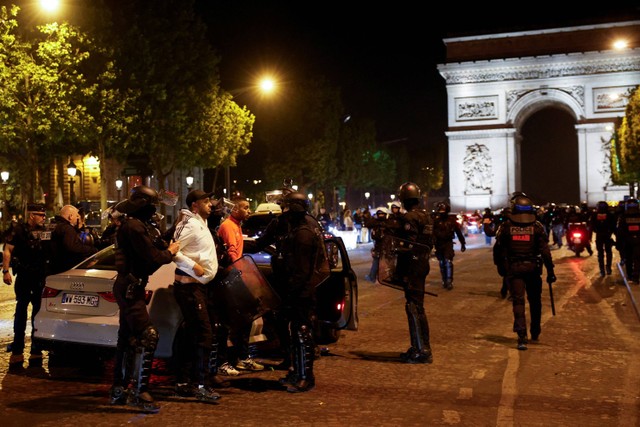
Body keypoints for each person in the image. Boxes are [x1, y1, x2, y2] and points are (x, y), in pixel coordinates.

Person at [108, 185, 180, 413]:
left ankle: (119, 389)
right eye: (151, 206)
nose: (153, 211)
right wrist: (171, 253)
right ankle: (138, 392)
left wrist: (171, 235)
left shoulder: (134, 226)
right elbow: (152, 258)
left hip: (129, 286)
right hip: (130, 287)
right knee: (148, 335)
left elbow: (154, 245)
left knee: (127, 338)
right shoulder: (134, 227)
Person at [250, 191, 328, 392]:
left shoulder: (302, 233)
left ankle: (305, 377)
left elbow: (301, 271)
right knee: (295, 332)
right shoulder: (297, 226)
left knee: (302, 332)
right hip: (293, 288)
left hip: (299, 291)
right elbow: (262, 243)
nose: (282, 210)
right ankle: (296, 371)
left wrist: (292, 293)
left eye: (285, 207)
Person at [170, 189, 221, 402]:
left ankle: (184, 381)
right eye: (206, 201)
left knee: (191, 335)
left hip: (198, 288)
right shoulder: (189, 224)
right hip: (190, 288)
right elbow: (173, 250)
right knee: (203, 335)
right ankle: (201, 384)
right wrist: (194, 266)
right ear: (194, 205)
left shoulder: (200, 222)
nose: (210, 204)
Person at [493, 194, 556, 350]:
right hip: (534, 269)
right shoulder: (537, 227)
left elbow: (498, 250)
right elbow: (546, 252)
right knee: (535, 301)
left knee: (518, 301)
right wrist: (550, 271)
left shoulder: (506, 227)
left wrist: (501, 267)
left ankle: (522, 336)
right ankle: (535, 330)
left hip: (514, 269)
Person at [216, 196, 265, 375]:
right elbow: (232, 254)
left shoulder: (236, 226)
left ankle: (240, 357)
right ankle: (231, 359)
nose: (249, 211)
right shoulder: (228, 226)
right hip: (232, 277)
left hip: (237, 276)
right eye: (245, 207)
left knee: (245, 319)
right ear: (235, 209)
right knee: (233, 321)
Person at [3, 203, 51, 369]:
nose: (43, 218)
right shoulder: (18, 230)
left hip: (39, 276)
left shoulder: (46, 231)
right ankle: (17, 348)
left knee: (38, 312)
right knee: (21, 310)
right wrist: (5, 271)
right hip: (24, 275)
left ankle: (36, 348)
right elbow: (7, 250)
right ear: (32, 215)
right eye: (40, 215)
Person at [391, 182, 435, 364]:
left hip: (412, 264)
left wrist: (396, 249)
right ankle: (418, 346)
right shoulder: (427, 217)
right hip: (423, 263)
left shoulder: (409, 217)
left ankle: (423, 350)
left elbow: (410, 244)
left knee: (414, 308)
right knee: (416, 306)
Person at [50, 204, 98, 274]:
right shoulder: (67, 229)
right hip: (64, 269)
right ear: (70, 216)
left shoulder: (53, 226)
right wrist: (91, 250)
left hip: (53, 268)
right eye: (76, 216)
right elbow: (73, 247)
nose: (77, 219)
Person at [432, 202, 466, 290]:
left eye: (443, 210)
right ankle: (444, 280)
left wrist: (463, 243)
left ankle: (449, 281)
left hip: (448, 243)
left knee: (448, 261)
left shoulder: (451, 221)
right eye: (440, 210)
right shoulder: (435, 221)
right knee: (441, 262)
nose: (441, 212)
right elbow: (431, 233)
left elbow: (458, 232)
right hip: (438, 244)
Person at [616, 198, 640, 283]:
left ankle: (630, 276)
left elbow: (620, 231)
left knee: (629, 258)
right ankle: (636, 276)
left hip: (627, 240)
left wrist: (618, 243)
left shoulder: (623, 217)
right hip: (636, 240)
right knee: (637, 258)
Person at [590, 201, 617, 276]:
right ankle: (607, 268)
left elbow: (592, 226)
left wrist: (591, 236)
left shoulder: (595, 215)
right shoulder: (610, 215)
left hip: (600, 236)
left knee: (601, 253)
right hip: (607, 236)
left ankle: (602, 270)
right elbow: (614, 226)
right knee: (608, 252)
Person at [364, 208, 388, 283]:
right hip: (378, 244)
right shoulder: (375, 222)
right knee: (376, 260)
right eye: (379, 214)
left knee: (378, 260)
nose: (380, 215)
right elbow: (368, 224)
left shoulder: (388, 222)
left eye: (382, 214)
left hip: (386, 244)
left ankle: (373, 277)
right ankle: (373, 276)